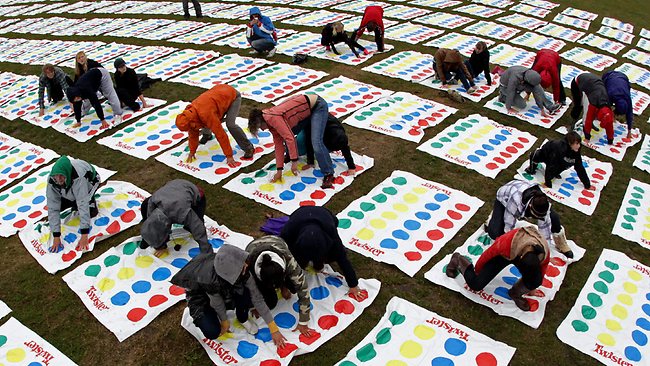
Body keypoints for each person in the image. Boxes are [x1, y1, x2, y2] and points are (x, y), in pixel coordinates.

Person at [171, 245, 288, 347]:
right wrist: (224, 321)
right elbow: (217, 303)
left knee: (245, 292)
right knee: (212, 332)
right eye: (244, 265)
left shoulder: (239, 268)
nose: (247, 266)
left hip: (224, 287)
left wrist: (273, 329)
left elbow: (257, 298)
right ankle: (211, 315)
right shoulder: (209, 279)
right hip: (201, 296)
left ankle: (242, 317)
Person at [445, 226, 549, 311]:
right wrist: (478, 272)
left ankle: (515, 293)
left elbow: (541, 271)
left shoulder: (543, 253)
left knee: (536, 280)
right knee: (476, 285)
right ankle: (458, 260)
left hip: (525, 256)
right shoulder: (506, 243)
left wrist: (532, 286)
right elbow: (488, 255)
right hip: (504, 254)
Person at [248, 93, 335, 188]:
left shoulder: (273, 118)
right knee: (286, 133)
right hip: (305, 110)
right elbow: (278, 146)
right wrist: (279, 170)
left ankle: (329, 173)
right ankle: (291, 154)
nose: (263, 129)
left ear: (262, 121)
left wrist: (294, 162)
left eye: (261, 127)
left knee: (316, 142)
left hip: (318, 106)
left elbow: (290, 138)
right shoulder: (269, 122)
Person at [280, 206, 366, 300]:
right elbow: (283, 256)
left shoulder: (331, 234)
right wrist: (286, 286)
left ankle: (316, 261)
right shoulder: (288, 232)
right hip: (299, 215)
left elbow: (343, 259)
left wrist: (353, 285)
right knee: (294, 260)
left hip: (324, 215)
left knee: (336, 254)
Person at [245, 236, 314, 337]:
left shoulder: (289, 261)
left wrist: (303, 322)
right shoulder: (248, 266)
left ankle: (284, 286)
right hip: (253, 249)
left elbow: (303, 289)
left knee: (294, 287)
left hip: (276, 242)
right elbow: (252, 292)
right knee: (271, 302)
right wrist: (255, 306)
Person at [486, 180, 573, 258]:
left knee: (554, 217)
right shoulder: (515, 201)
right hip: (504, 198)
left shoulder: (543, 201)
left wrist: (544, 248)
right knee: (495, 233)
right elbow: (508, 224)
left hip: (524, 198)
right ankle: (493, 217)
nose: (538, 218)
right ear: (531, 206)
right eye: (536, 215)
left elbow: (544, 229)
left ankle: (561, 243)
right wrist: (509, 246)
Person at [175, 84, 254, 164]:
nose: (190, 129)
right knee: (204, 121)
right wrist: (192, 152)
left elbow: (220, 134)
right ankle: (207, 135)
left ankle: (248, 147)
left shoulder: (205, 114)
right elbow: (193, 134)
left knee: (230, 124)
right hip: (219, 93)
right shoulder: (189, 114)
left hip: (232, 96)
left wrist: (229, 156)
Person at [140, 179, 211, 258]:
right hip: (173, 188)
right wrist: (156, 242)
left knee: (193, 225)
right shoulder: (152, 204)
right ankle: (148, 238)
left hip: (194, 194)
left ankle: (187, 228)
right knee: (147, 212)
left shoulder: (184, 214)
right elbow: (152, 224)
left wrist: (206, 252)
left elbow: (199, 230)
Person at [46, 156, 100, 253]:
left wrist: (84, 235)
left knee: (89, 211)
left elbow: (83, 203)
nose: (59, 179)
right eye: (56, 176)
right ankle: (74, 200)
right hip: (70, 185)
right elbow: (52, 208)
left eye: (61, 176)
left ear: (67, 173)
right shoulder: (52, 181)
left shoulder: (79, 177)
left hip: (90, 181)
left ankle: (90, 202)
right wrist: (56, 236)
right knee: (58, 206)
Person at [525, 131, 595, 191]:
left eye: (579, 143)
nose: (579, 146)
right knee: (535, 156)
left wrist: (587, 185)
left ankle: (555, 172)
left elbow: (579, 167)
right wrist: (548, 184)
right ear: (570, 143)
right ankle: (532, 168)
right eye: (577, 144)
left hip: (559, 159)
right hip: (546, 154)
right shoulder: (559, 149)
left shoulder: (576, 149)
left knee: (564, 165)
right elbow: (550, 165)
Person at [570, 72, 615, 144]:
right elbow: (587, 120)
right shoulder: (592, 103)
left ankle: (591, 125)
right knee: (579, 105)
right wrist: (587, 138)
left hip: (593, 84)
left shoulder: (608, 109)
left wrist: (610, 140)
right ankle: (573, 121)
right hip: (578, 81)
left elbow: (609, 125)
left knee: (589, 115)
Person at [602, 70, 634, 139]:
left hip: (623, 77)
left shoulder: (627, 98)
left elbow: (629, 114)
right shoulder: (609, 94)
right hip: (608, 76)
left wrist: (629, 130)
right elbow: (605, 105)